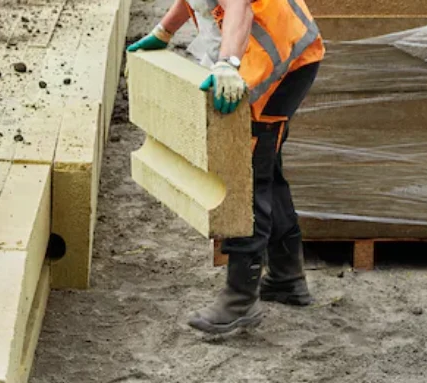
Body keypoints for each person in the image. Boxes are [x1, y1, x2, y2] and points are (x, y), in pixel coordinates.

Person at [127, 0, 324, 334]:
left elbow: (238, 5)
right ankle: (288, 279)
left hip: (277, 58)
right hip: (281, 49)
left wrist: (227, 64)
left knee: (245, 174)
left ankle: (239, 300)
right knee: (266, 165)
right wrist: (164, 31)